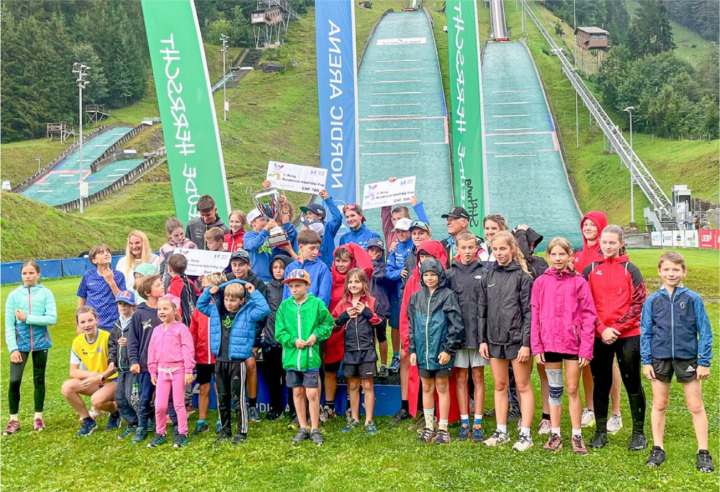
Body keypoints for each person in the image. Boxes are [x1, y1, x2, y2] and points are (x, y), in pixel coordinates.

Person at [641, 252, 714, 472]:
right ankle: (658, 448)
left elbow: (706, 331)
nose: (671, 274)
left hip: (687, 358)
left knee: (695, 405)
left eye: (676, 270)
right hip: (660, 358)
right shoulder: (653, 300)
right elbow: (645, 332)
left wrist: (704, 361)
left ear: (684, 272)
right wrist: (646, 361)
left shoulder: (693, 299)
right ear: (659, 272)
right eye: (667, 269)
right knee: (660, 404)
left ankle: (703, 452)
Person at [583, 225, 648, 451]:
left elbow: (638, 303)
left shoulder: (631, 269)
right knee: (601, 384)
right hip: (599, 335)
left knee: (632, 383)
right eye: (604, 242)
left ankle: (638, 433)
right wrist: (601, 327)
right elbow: (584, 303)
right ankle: (600, 432)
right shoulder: (590, 269)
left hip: (628, 334)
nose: (608, 246)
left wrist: (617, 328)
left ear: (621, 243)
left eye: (612, 242)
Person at [531, 237, 597, 454]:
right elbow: (535, 315)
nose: (558, 258)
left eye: (562, 254)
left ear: (570, 256)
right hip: (549, 344)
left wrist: (586, 348)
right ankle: (555, 433)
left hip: (572, 344)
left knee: (572, 388)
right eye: (554, 254)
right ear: (547, 256)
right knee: (555, 390)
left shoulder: (579, 283)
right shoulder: (541, 282)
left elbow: (589, 316)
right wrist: (537, 346)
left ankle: (577, 435)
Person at [479, 231, 535, 452]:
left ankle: (526, 434)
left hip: (517, 341)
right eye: (495, 249)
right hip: (494, 341)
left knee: (522, 386)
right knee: (500, 385)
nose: (499, 253)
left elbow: (529, 313)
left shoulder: (523, 277)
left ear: (512, 249)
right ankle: (501, 430)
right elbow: (482, 310)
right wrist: (483, 340)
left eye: (503, 249)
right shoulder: (487, 276)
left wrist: (526, 343)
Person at [196, 279, 270, 445]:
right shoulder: (216, 310)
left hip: (238, 362)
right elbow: (200, 305)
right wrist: (209, 291)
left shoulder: (249, 311)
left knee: (238, 398)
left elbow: (264, 309)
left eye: (234, 300)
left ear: (241, 300)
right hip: (220, 359)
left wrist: (253, 290)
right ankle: (225, 430)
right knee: (222, 397)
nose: (229, 303)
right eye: (227, 299)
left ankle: (241, 432)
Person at [396, 240, 454, 430]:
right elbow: (407, 314)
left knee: (442, 383)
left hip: (441, 342)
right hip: (420, 343)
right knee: (423, 381)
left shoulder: (446, 281)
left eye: (430, 256)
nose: (425, 260)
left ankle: (442, 420)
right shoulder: (414, 280)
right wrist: (408, 343)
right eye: (422, 256)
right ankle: (424, 416)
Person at [573, 211, 623, 431]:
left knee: (609, 365)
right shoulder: (577, 254)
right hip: (582, 318)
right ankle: (591, 408)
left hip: (603, 319)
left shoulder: (605, 254)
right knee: (585, 363)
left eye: (593, 225)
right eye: (585, 225)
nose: (588, 228)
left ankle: (616, 412)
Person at [274, 270, 334, 445]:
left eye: (298, 285)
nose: (294, 289)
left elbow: (328, 323)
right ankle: (302, 427)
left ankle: (315, 427)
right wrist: (292, 341)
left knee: (312, 392)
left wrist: (316, 335)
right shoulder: (284, 307)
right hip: (292, 358)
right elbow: (280, 331)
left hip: (310, 358)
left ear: (307, 285)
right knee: (297, 391)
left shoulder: (316, 304)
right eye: (291, 286)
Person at [408, 258, 464, 444]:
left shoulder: (448, 295)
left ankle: (443, 428)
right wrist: (413, 350)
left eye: (433, 274)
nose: (430, 278)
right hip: (422, 352)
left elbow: (456, 325)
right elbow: (411, 326)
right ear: (421, 277)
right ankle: (428, 427)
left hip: (441, 352)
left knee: (442, 387)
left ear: (440, 276)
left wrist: (448, 349)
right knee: (427, 387)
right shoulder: (415, 298)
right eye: (426, 275)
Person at [322, 243, 374, 422]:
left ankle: (353, 409)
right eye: (338, 261)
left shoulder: (357, 277)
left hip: (355, 336)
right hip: (335, 327)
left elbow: (368, 265)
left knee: (355, 372)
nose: (341, 264)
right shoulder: (329, 277)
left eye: (346, 261)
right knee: (331, 369)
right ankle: (329, 406)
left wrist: (352, 246)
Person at [4, 261, 57, 435]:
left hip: (41, 344)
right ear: (21, 275)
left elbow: (51, 318)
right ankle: (13, 420)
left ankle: (38, 417)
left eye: (31, 273)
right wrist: (13, 349)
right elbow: (9, 325)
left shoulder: (46, 293)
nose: (28, 276)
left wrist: (27, 318)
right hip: (21, 345)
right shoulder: (13, 296)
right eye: (25, 273)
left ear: (38, 274)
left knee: (39, 380)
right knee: (14, 381)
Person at [445, 232, 489, 443]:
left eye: (471, 247)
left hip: (479, 335)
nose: (467, 251)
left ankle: (478, 422)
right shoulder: (450, 274)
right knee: (461, 378)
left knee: (478, 377)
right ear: (457, 248)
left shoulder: (485, 271)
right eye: (463, 248)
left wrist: (485, 336)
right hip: (458, 336)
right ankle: (464, 421)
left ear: (476, 248)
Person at [332, 268, 384, 435]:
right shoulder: (342, 304)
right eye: (351, 281)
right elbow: (333, 326)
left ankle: (369, 420)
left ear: (364, 284)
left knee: (367, 384)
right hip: (350, 350)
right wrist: (343, 317)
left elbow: (380, 324)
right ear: (347, 284)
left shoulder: (372, 301)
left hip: (367, 350)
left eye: (357, 281)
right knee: (353, 385)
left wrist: (368, 313)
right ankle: (354, 418)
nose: (354, 285)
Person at [127, 274, 177, 444]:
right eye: (158, 284)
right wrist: (134, 361)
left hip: (167, 364)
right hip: (146, 364)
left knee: (169, 397)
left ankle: (176, 427)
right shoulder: (139, 314)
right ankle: (142, 426)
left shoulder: (167, 309)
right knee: (145, 396)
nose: (162, 285)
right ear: (148, 292)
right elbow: (133, 340)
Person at [61, 306, 119, 436]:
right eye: (83, 322)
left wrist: (99, 377)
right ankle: (88, 421)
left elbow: (114, 367)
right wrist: (91, 375)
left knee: (96, 400)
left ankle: (115, 413)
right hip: (97, 381)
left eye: (90, 320)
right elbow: (73, 372)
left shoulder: (107, 337)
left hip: (113, 381)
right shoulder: (77, 342)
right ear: (78, 324)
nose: (87, 325)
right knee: (67, 387)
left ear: (96, 320)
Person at [146, 295, 195, 448]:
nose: (161, 311)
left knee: (179, 404)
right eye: (159, 309)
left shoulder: (181, 328)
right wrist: (153, 371)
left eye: (165, 308)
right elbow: (152, 351)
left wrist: (188, 370)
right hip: (162, 372)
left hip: (178, 370)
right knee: (159, 405)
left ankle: (182, 433)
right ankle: (160, 433)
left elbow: (188, 350)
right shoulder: (157, 330)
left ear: (175, 310)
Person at [226, 249, 268, 423]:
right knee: (226, 370)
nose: (237, 268)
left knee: (250, 364)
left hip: (250, 335)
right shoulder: (226, 279)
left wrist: (256, 342)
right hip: (229, 336)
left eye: (241, 265)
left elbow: (262, 314)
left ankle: (252, 407)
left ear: (249, 265)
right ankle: (231, 406)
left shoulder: (257, 283)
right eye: (234, 265)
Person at [189, 272, 227, 436]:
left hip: (219, 355)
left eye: (207, 287)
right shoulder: (199, 309)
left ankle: (221, 420)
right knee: (204, 388)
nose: (204, 290)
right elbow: (193, 333)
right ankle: (201, 420)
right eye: (203, 287)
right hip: (203, 356)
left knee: (220, 388)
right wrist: (192, 354)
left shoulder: (225, 306)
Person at [261, 255, 293, 420]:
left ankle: (294, 409)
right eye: (275, 267)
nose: (278, 270)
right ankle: (276, 408)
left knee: (291, 378)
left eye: (282, 267)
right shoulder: (267, 288)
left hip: (290, 342)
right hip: (271, 340)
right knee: (273, 378)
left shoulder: (292, 287)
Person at [385, 217, 415, 376]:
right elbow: (388, 271)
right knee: (397, 326)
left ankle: (412, 356)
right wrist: (399, 273)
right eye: (398, 231)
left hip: (414, 295)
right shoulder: (394, 249)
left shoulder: (415, 245)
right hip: (398, 295)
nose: (400, 234)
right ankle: (397, 357)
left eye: (404, 231)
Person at [108, 290, 139, 439]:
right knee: (120, 398)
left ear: (133, 306)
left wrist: (130, 342)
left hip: (134, 367)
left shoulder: (136, 322)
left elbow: (143, 342)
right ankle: (132, 423)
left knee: (133, 397)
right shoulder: (117, 324)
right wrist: (111, 361)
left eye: (126, 304)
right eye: (120, 304)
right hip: (121, 368)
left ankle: (143, 422)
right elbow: (112, 345)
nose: (123, 307)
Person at [77, 244, 126, 332]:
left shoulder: (119, 275)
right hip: (93, 324)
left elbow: (122, 299)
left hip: (114, 324)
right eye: (101, 253)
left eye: (108, 252)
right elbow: (81, 297)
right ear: (94, 260)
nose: (106, 254)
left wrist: (111, 282)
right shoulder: (88, 275)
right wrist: (79, 323)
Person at [244, 208, 298, 283]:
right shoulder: (248, 236)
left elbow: (279, 251)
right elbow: (253, 245)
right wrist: (265, 230)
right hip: (256, 278)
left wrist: (281, 235)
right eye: (262, 220)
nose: (266, 223)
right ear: (253, 223)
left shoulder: (270, 235)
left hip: (272, 279)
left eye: (266, 220)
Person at [283, 229, 332, 306]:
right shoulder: (290, 268)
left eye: (317, 248)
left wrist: (311, 313)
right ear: (301, 247)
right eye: (312, 248)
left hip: (313, 315)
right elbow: (286, 296)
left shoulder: (323, 268)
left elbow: (324, 297)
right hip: (293, 315)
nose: (316, 252)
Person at [367, 238, 392, 378]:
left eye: (377, 250)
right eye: (371, 250)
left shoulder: (384, 267)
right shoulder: (362, 265)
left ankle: (383, 365)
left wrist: (373, 263)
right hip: (366, 306)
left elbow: (380, 277)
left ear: (382, 253)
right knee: (369, 337)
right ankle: (371, 364)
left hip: (381, 306)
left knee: (382, 336)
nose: (374, 253)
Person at [301, 189, 344, 268]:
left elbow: (338, 218)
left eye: (310, 214)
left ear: (319, 216)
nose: (307, 216)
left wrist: (327, 199)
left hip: (328, 269)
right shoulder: (305, 232)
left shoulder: (328, 228)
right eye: (306, 214)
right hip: (311, 270)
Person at [159, 217, 198, 285]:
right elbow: (162, 269)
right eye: (176, 235)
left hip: (188, 281)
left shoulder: (191, 245)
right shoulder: (165, 248)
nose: (180, 237)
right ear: (169, 234)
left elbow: (197, 266)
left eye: (181, 233)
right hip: (170, 282)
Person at [166, 254, 198, 327]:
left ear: (170, 269)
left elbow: (174, 307)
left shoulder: (174, 286)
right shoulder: (190, 282)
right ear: (186, 268)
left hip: (182, 324)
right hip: (194, 320)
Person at [401, 220, 432, 289]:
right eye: (414, 234)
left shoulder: (436, 255)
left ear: (429, 236)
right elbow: (405, 286)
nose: (417, 237)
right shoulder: (409, 259)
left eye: (421, 233)